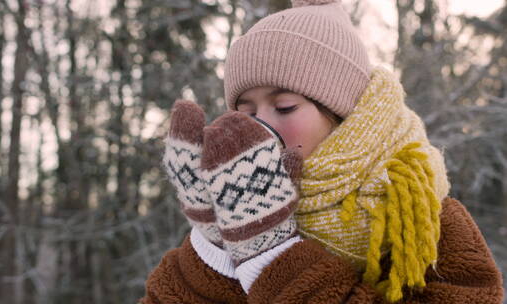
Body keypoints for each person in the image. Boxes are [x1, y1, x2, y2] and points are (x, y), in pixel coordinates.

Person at [139, 0, 504, 303]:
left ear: (341, 114)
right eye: (245, 112)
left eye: (283, 107)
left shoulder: (422, 215)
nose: (260, 125)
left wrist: (271, 255)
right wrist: (214, 248)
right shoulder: (237, 206)